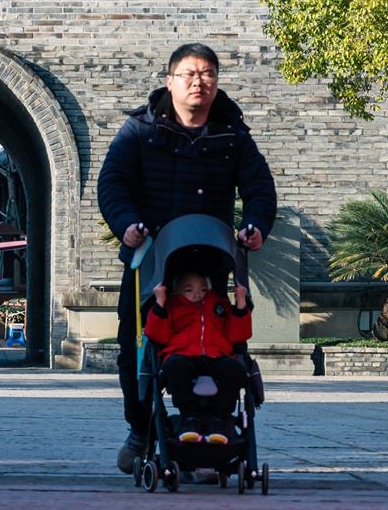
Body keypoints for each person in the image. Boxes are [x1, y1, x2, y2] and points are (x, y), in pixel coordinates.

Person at [98, 42, 277, 474]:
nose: (199, 82)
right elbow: (114, 183)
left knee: (219, 349)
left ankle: (212, 427)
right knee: (136, 352)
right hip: (151, 262)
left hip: (210, 265)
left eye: (208, 74)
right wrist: (127, 223)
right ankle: (141, 429)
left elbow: (259, 188)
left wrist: (255, 225)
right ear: (170, 81)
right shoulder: (139, 131)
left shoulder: (232, 134)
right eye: (189, 74)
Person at [145, 270, 253, 443]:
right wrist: (160, 303)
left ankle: (219, 418)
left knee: (234, 369)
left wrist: (240, 304)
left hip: (217, 353)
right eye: (189, 290)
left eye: (203, 290)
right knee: (175, 365)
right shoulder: (172, 306)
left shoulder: (220, 305)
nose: (197, 294)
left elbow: (237, 336)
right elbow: (158, 336)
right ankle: (190, 416)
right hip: (182, 353)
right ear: (177, 291)